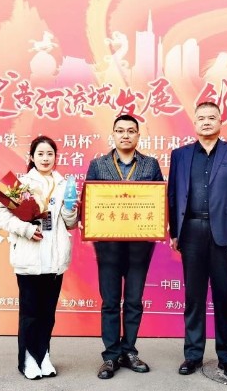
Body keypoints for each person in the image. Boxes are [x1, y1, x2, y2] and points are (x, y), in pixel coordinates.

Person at [167, 102, 227, 379]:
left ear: (220, 122)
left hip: (224, 232)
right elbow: (173, 195)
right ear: (194, 122)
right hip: (191, 231)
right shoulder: (180, 155)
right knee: (194, 297)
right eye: (201, 118)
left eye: (211, 118)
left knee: (224, 296)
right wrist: (175, 232)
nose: (206, 122)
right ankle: (192, 355)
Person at [0, 135, 79, 380]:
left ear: (56, 157)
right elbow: (1, 214)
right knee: (30, 313)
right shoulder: (20, 184)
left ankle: (44, 355)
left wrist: (70, 210)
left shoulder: (63, 184)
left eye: (50, 154)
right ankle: (28, 360)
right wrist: (26, 229)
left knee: (47, 313)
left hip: (55, 259)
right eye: (40, 154)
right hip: (29, 258)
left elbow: (70, 223)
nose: (45, 158)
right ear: (31, 157)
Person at [86, 114, 163, 379]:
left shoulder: (150, 165)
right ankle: (110, 356)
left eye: (131, 131)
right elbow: (90, 202)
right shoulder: (98, 165)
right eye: (120, 131)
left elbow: (160, 201)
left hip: (139, 245)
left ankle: (129, 351)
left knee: (133, 300)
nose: (126, 135)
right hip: (108, 245)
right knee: (110, 301)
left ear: (138, 135)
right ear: (113, 134)